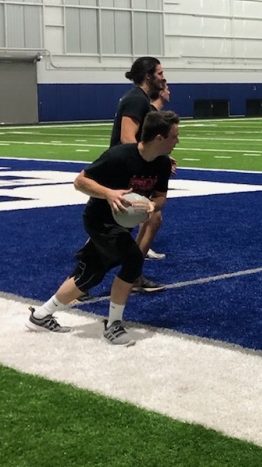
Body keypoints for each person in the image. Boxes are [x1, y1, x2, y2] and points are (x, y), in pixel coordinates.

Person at [26, 110, 180, 346]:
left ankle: (40, 316)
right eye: (174, 136)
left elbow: (161, 198)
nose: (177, 141)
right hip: (100, 219)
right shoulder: (119, 157)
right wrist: (108, 193)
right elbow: (80, 181)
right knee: (132, 259)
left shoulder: (161, 164)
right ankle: (113, 325)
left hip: (121, 224)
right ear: (159, 138)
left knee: (90, 274)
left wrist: (150, 205)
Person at [105, 57, 168, 293]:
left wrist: (159, 156)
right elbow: (127, 138)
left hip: (126, 169)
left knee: (150, 217)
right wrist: (146, 164)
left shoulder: (139, 99)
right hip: (122, 172)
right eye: (160, 73)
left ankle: (132, 273)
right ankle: (85, 277)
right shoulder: (135, 99)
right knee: (115, 226)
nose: (163, 77)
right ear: (148, 75)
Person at [136, 83, 177, 262]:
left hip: (149, 164)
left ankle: (135, 261)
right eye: (166, 87)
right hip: (138, 167)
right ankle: (135, 259)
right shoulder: (149, 112)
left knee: (153, 215)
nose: (169, 91)